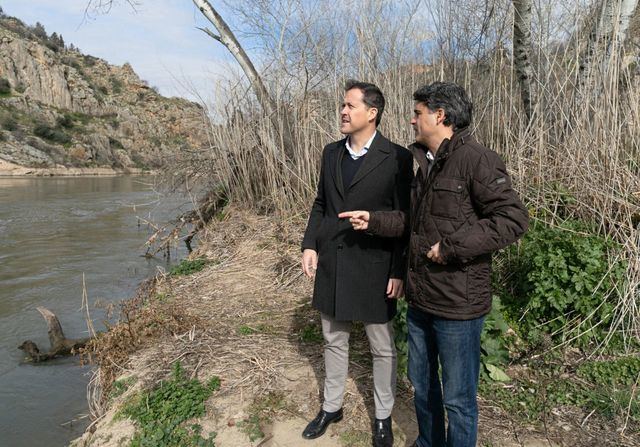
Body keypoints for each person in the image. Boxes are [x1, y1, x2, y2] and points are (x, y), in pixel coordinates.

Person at [339, 82, 529, 447]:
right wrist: (374, 221)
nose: (412, 121)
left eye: (417, 113)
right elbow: (415, 224)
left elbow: (512, 219)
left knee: (458, 399)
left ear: (440, 116)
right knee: (422, 386)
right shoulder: (425, 164)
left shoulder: (477, 160)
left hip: (458, 306)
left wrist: (452, 247)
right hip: (422, 300)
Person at [300, 80, 412, 446]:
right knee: (333, 339)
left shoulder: (397, 157)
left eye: (350, 106)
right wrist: (310, 244)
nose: (343, 112)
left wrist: (398, 270)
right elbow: (321, 204)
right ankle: (332, 406)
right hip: (333, 260)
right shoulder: (330, 153)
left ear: (372, 112)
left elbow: (404, 218)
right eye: (342, 105)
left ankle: (382, 416)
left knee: (382, 346)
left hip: (375, 266)